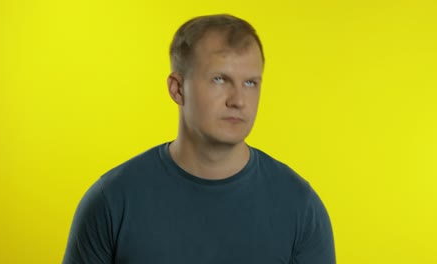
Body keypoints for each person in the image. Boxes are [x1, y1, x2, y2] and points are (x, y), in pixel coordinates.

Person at [62, 14, 336, 264]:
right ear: (177, 88)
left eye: (250, 83)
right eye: (219, 79)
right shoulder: (112, 201)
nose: (238, 100)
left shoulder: (300, 207)